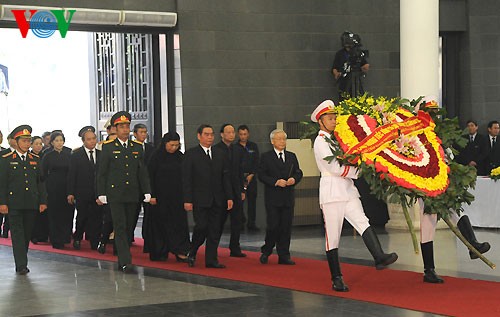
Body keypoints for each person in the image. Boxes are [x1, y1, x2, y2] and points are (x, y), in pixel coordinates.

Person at [311, 100, 398, 292]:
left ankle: (379, 256)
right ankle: (337, 278)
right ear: (320, 121)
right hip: (332, 191)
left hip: (347, 190)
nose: (333, 121)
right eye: (329, 118)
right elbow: (333, 167)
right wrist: (356, 171)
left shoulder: (335, 139)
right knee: (332, 237)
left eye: (334, 118)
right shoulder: (320, 142)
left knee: (362, 221)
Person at [96, 111, 151, 272]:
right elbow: (102, 173)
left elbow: (142, 172)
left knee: (128, 227)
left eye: (127, 126)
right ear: (115, 128)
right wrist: (101, 193)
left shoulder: (137, 147)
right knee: (119, 226)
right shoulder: (108, 148)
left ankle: (123, 256)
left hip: (132, 193)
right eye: (121, 127)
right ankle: (125, 260)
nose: (125, 130)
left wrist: (147, 190)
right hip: (115, 194)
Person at [183, 124, 233, 269]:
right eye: (206, 134)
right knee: (202, 227)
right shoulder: (191, 154)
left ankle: (211, 260)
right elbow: (186, 179)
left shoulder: (220, 153)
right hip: (200, 199)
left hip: (218, 198)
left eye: (212, 134)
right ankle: (193, 250)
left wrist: (229, 197)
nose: (210, 137)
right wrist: (187, 200)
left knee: (215, 230)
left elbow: (225, 177)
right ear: (199, 136)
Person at [0, 125, 47, 274]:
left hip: (31, 202)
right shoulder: (6, 159)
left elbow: (40, 182)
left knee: (26, 234)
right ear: (16, 141)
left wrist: (43, 201)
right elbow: (3, 184)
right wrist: (2, 203)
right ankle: (21, 264)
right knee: (17, 234)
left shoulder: (35, 159)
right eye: (24, 141)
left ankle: (22, 259)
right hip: (14, 203)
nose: (27, 144)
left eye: (29, 141)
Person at [258, 129, 303, 266]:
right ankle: (267, 250)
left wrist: (293, 179)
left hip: (288, 198)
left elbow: (298, 172)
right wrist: (275, 182)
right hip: (273, 198)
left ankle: (284, 255)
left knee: (285, 227)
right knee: (273, 226)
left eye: (284, 139)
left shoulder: (291, 156)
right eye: (279, 139)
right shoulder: (266, 157)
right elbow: (262, 175)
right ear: (272, 141)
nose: (282, 142)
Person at [147, 132, 190, 262]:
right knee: (160, 224)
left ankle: (180, 250)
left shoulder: (180, 157)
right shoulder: (156, 157)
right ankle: (160, 251)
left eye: (177, 145)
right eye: (171, 145)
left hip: (177, 197)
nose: (174, 148)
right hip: (160, 197)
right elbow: (150, 177)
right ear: (165, 143)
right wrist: (152, 195)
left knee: (178, 224)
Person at [214, 123, 247, 257]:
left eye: (233, 132)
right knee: (219, 222)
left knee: (237, 221)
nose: (231, 134)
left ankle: (235, 247)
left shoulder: (237, 150)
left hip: (236, 190)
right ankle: (213, 247)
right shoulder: (216, 149)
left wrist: (242, 189)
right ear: (222, 134)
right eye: (228, 132)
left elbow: (240, 171)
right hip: (221, 192)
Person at [67, 126, 102, 250]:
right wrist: (70, 193)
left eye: (94, 138)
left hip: (97, 192)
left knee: (96, 218)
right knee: (82, 217)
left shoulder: (101, 154)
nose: (92, 141)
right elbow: (72, 175)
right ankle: (77, 238)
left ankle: (95, 241)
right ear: (83, 141)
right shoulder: (76, 155)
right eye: (89, 139)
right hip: (82, 192)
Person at [41, 131, 74, 249]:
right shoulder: (47, 155)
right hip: (53, 188)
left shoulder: (69, 153)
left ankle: (66, 236)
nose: (59, 143)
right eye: (56, 141)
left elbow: (73, 172)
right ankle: (56, 239)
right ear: (52, 142)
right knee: (55, 214)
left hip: (67, 187)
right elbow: (43, 174)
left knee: (67, 213)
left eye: (61, 140)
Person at [131, 123, 155, 244]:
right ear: (135, 134)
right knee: (133, 213)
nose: (144, 134)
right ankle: (129, 235)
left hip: (147, 186)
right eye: (141, 132)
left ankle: (147, 236)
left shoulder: (150, 148)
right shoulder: (130, 148)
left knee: (148, 213)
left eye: (145, 132)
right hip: (134, 186)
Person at [332, 31, 369, 100]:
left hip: (356, 79)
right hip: (345, 81)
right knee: (344, 97)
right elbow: (334, 67)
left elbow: (365, 64)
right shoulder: (340, 54)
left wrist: (364, 68)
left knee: (359, 96)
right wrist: (337, 74)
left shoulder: (358, 52)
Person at [237, 125, 260, 231]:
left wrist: (252, 174)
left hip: (251, 178)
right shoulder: (235, 147)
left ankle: (252, 223)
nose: (243, 136)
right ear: (238, 135)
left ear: (248, 134)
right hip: (239, 178)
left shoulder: (253, 146)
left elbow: (257, 162)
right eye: (241, 134)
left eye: (245, 134)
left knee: (252, 202)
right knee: (239, 202)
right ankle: (240, 222)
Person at [30, 136, 49, 244]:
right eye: (36, 143)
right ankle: (34, 235)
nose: (39, 146)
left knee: (43, 213)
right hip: (33, 188)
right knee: (34, 214)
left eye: (40, 143)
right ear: (31, 144)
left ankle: (43, 235)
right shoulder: (29, 156)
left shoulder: (45, 156)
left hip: (44, 186)